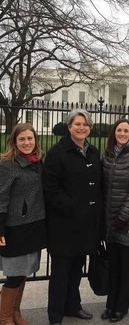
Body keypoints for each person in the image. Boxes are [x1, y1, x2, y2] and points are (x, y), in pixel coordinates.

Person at [43, 108, 103, 325]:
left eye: (85, 124)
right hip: (64, 224)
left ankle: (73, 305)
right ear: (69, 127)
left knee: (77, 270)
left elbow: (97, 186)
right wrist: (71, 206)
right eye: (77, 124)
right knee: (60, 274)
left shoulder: (93, 152)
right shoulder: (57, 153)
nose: (82, 127)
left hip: (86, 224)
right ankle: (56, 315)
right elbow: (51, 189)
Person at [0, 123, 47, 325]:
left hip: (34, 226)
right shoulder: (7, 165)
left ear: (35, 140)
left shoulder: (39, 162)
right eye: (22, 139)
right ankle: (4, 317)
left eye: (30, 138)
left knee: (23, 273)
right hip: (14, 228)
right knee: (14, 274)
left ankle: (16, 313)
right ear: (14, 142)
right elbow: (1, 198)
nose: (27, 143)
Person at [101, 118, 129, 323]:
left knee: (126, 266)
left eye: (126, 130)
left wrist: (122, 216)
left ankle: (121, 307)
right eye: (119, 130)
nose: (122, 133)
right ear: (114, 132)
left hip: (127, 221)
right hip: (110, 221)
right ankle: (110, 304)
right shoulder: (108, 155)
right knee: (113, 266)